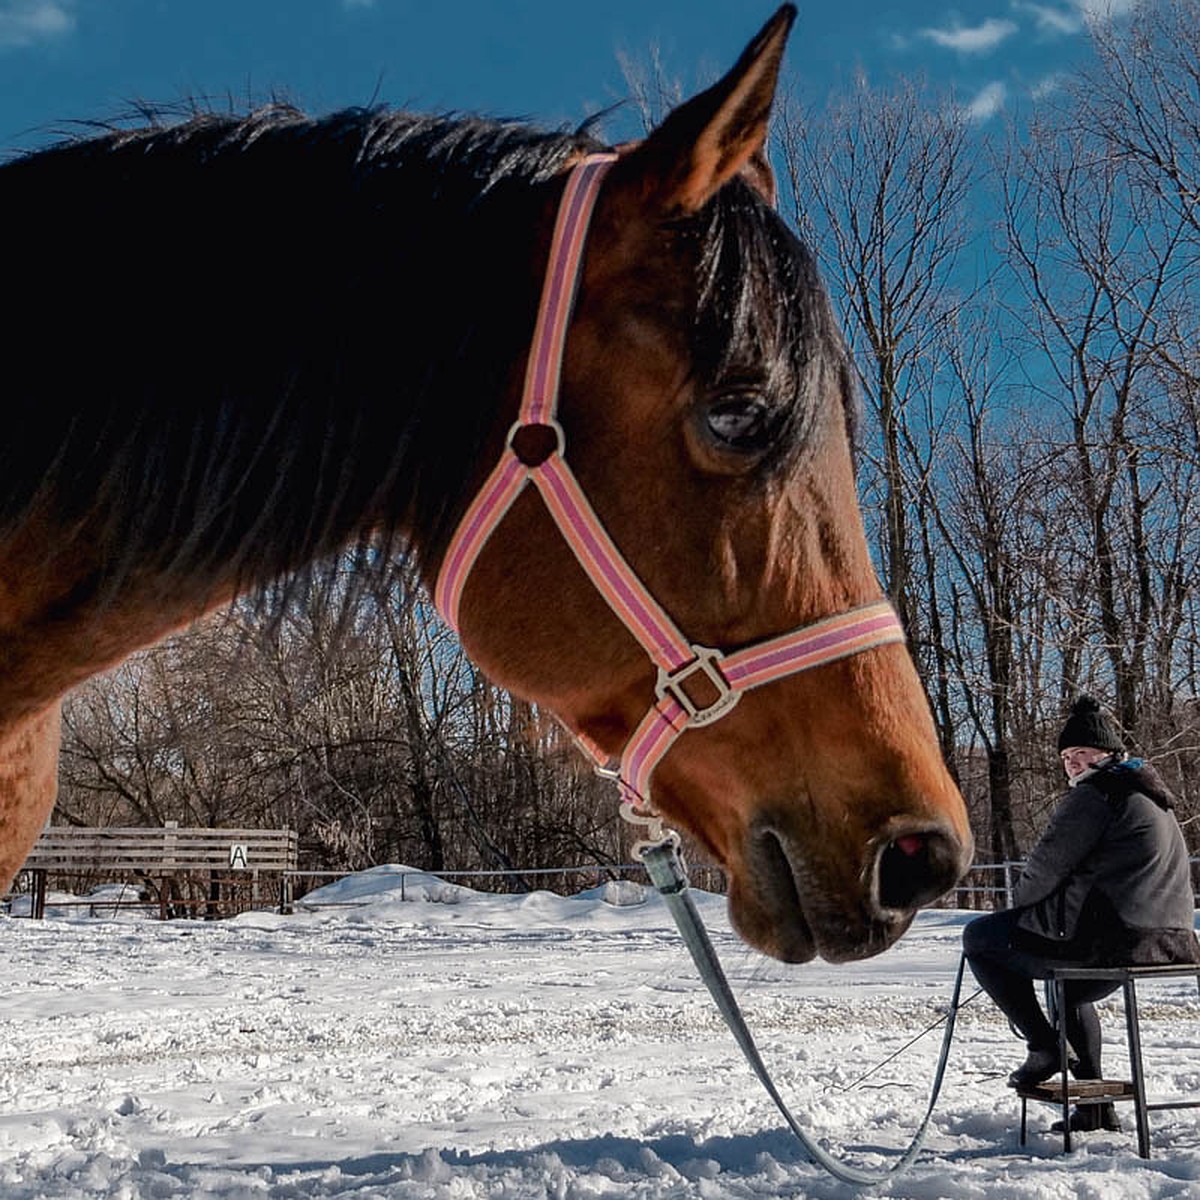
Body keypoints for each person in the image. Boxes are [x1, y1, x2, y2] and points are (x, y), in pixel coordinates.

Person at [964, 695, 1200, 1133]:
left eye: (1081, 753)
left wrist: (1019, 910)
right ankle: (1095, 1108)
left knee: (980, 938)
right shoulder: (1155, 797)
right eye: (1066, 756)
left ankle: (1042, 1046)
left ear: (1108, 754)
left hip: (1115, 938)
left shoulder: (1098, 793)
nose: (1072, 763)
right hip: (1172, 942)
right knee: (1068, 990)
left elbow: (1043, 869)